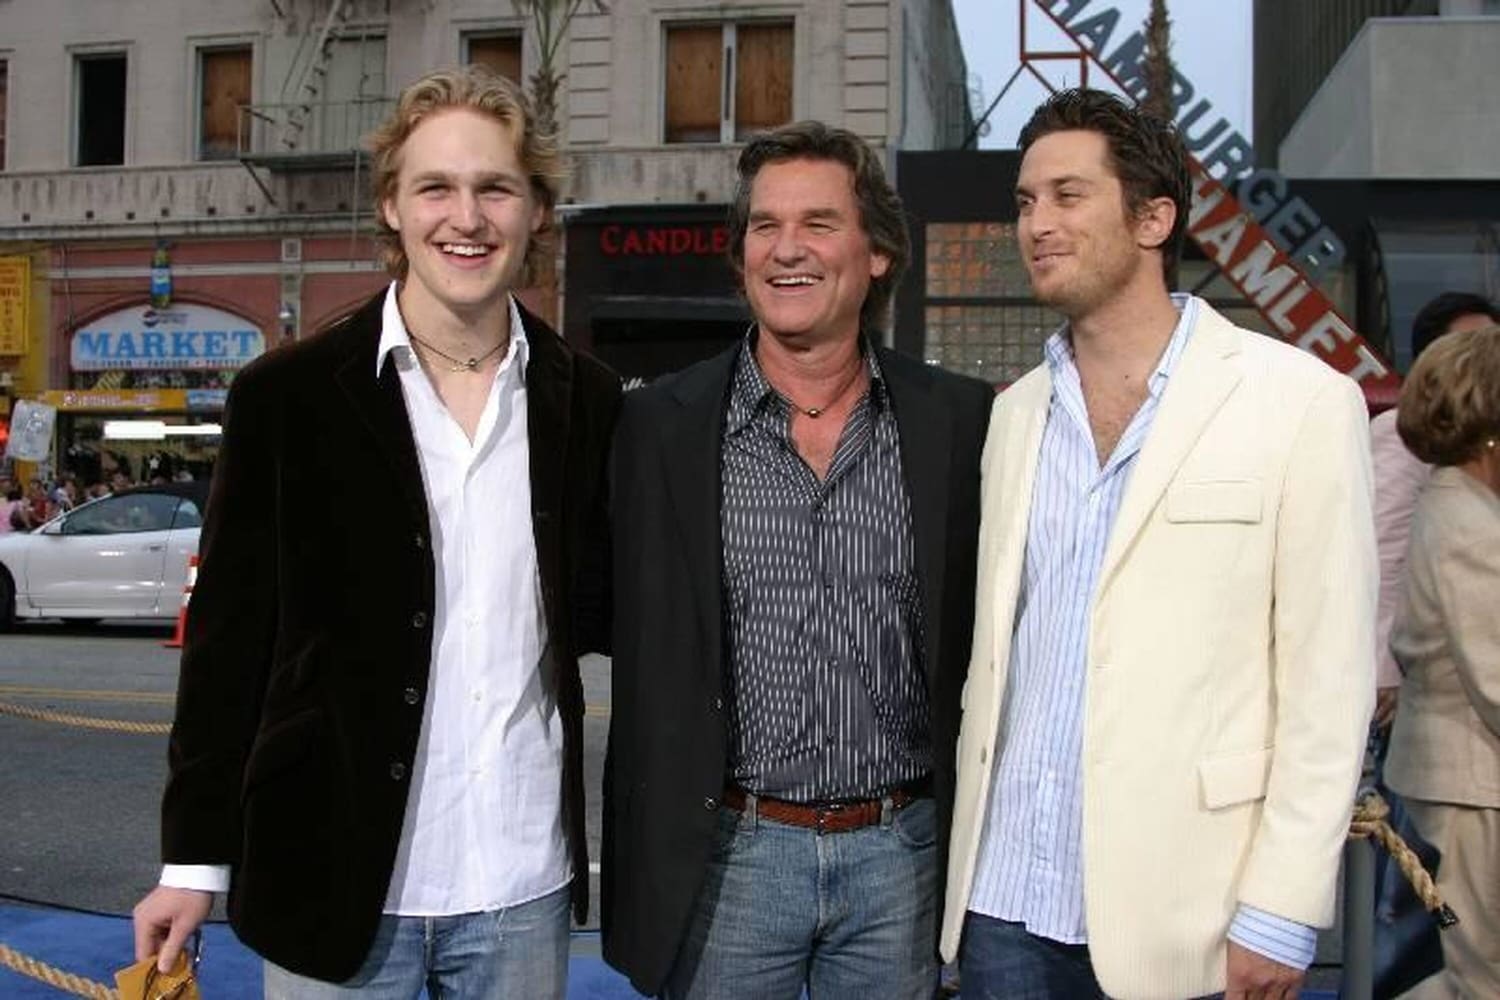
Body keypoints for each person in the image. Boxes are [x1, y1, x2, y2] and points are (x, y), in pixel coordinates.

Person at [131, 66, 619, 998]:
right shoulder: (287, 396)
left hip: (521, 889)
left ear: (537, 213)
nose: (465, 218)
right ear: (392, 207)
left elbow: (606, 610)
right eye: (435, 186)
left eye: (495, 189)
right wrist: (193, 862)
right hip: (333, 882)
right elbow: (230, 647)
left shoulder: (586, 400)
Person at [941, 89, 1376, 1000]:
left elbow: (1328, 682)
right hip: (1004, 908)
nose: (1036, 225)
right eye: (1025, 202)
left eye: (1068, 196)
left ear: (1153, 217)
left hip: (1195, 918)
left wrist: (1282, 907)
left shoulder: (1295, 401)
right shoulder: (1012, 416)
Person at [602, 121, 993, 999]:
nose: (787, 249)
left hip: (903, 859)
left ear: (879, 253)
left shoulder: (960, 425)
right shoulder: (658, 427)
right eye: (764, 226)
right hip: (729, 858)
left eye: (818, 222)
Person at [1383, 324, 1500, 999]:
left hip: (1461, 784)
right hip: (1470, 790)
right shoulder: (1469, 527)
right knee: (1477, 976)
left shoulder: (1463, 508)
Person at [1371, 292, 1500, 726]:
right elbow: (1382, 554)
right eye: (1470, 345)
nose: (1485, 357)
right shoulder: (1401, 434)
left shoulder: (1485, 447)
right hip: (1424, 680)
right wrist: (1381, 669)